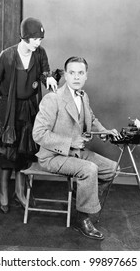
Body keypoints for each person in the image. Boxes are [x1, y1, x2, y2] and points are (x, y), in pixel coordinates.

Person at [32, 56, 121, 240]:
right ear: (65, 75)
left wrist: (104, 131)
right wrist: (71, 142)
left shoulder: (83, 96)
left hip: (76, 153)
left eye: (80, 73)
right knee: (89, 169)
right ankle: (83, 219)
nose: (76, 77)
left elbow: (91, 117)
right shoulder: (53, 99)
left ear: (86, 76)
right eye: (72, 73)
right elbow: (38, 134)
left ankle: (82, 201)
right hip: (52, 156)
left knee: (113, 169)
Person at [0, 17, 59, 214]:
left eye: (40, 39)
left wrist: (48, 77)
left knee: (25, 153)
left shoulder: (39, 53)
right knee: (7, 154)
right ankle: (3, 193)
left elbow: (44, 72)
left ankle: (20, 192)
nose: (38, 43)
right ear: (25, 37)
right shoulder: (6, 56)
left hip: (30, 108)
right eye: (35, 39)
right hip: (9, 110)